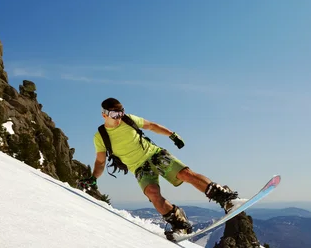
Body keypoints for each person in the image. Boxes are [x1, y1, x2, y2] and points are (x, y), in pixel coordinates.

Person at [78, 97, 238, 236]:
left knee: (186, 174)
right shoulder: (100, 137)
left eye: (121, 112)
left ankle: (225, 198)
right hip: (139, 167)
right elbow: (100, 162)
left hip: (155, 155)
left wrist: (172, 135)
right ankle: (179, 223)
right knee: (153, 194)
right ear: (104, 114)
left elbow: (152, 126)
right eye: (114, 114)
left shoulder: (129, 120)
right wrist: (93, 178)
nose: (119, 117)